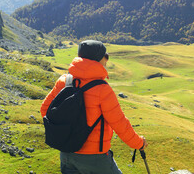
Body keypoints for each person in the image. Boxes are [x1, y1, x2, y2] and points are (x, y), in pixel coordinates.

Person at [40, 40, 148, 174]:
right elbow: (120, 124)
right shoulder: (102, 89)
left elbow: (45, 110)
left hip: (67, 154)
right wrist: (139, 143)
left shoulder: (64, 81)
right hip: (96, 159)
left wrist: (65, 130)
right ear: (97, 59)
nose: (106, 60)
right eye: (105, 56)